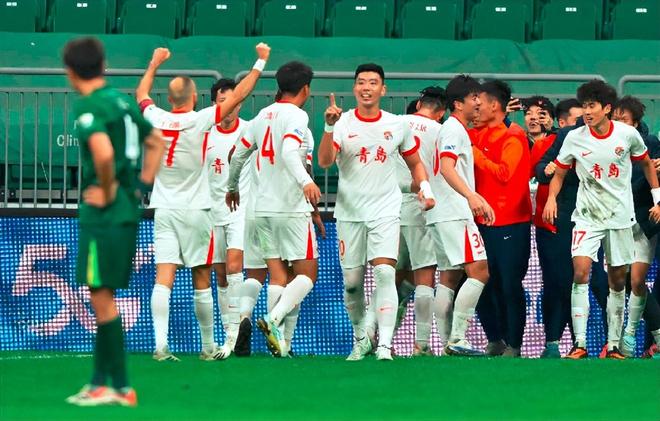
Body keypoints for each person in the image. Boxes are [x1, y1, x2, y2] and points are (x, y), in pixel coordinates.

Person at [137, 44, 270, 361]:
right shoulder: (200, 120)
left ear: (170, 99)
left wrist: (154, 63)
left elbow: (141, 94)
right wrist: (261, 61)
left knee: (163, 277)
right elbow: (240, 94)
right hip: (197, 210)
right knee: (201, 276)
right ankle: (209, 346)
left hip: (163, 208)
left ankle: (160, 346)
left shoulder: (155, 116)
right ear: (195, 98)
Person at [63, 37, 164, 406]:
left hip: (104, 214)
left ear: (70, 72)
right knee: (102, 294)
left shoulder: (89, 105)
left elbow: (103, 155)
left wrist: (106, 191)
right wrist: (140, 186)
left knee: (101, 296)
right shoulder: (122, 101)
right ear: (101, 64)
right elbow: (156, 141)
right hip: (126, 208)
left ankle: (116, 387)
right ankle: (104, 384)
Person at [318, 63, 435, 361]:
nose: (366, 87)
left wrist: (425, 187)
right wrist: (328, 127)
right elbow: (325, 161)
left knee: (385, 273)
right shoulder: (342, 122)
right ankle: (361, 339)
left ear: (383, 89)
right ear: (354, 88)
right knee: (352, 285)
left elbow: (415, 163)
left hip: (385, 210)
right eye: (361, 82)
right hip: (349, 214)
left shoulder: (397, 124)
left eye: (372, 82)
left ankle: (384, 344)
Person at [542, 80, 660, 359]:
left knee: (618, 281)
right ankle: (580, 344)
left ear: (606, 108)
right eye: (584, 106)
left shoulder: (627, 135)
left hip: (620, 217)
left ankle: (615, 345)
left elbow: (646, 163)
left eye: (592, 106)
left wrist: (658, 198)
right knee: (580, 272)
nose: (587, 111)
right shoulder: (574, 137)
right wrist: (551, 198)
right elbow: (560, 172)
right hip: (587, 217)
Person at [226, 61, 320, 358]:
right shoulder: (297, 116)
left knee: (277, 275)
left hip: (260, 211)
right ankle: (274, 320)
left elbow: (237, 155)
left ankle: (280, 345)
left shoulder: (260, 117)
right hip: (289, 209)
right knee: (307, 275)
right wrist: (306, 181)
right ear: (306, 89)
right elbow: (290, 151)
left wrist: (231, 187)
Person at [425, 75, 495, 357]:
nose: (479, 103)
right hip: (454, 212)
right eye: (473, 98)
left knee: (449, 277)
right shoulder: (454, 129)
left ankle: (446, 344)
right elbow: (447, 167)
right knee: (480, 271)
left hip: (440, 213)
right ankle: (457, 338)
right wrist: (471, 196)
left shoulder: (451, 129)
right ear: (457, 103)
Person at [471, 80, 532, 358]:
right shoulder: (476, 133)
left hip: (510, 221)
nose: (476, 107)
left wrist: (475, 154)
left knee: (509, 284)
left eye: (480, 103)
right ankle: (494, 338)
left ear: (494, 105)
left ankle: (514, 343)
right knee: (481, 283)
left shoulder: (513, 135)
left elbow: (505, 173)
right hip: (481, 222)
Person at [530, 99, 584, 358]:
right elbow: (541, 170)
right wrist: (548, 170)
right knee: (559, 283)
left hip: (594, 222)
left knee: (590, 283)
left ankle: (595, 342)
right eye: (578, 118)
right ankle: (554, 343)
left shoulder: (614, 138)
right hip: (557, 223)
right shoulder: (564, 137)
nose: (584, 121)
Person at [204, 78, 253, 358]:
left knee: (235, 267)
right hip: (212, 213)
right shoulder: (205, 134)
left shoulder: (249, 131)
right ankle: (228, 332)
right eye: (223, 102)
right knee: (220, 276)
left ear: (240, 104)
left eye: (234, 102)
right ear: (214, 104)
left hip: (240, 211)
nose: (229, 107)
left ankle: (234, 336)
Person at [397, 86, 446, 355]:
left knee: (390, 276)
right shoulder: (441, 132)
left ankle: (375, 338)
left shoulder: (396, 122)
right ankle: (422, 344)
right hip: (421, 205)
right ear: (441, 112)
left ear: (418, 104)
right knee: (424, 276)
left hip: (390, 207)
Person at [611, 96, 660, 357]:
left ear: (636, 123)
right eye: (615, 119)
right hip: (614, 221)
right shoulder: (605, 144)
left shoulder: (650, 144)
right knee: (621, 280)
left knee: (638, 280)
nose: (619, 124)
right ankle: (622, 339)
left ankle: (629, 335)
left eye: (624, 120)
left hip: (643, 220)